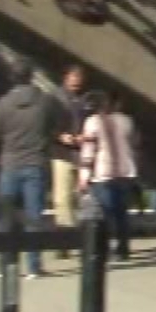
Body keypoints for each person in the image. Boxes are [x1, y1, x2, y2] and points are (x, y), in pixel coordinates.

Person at [0, 60, 66, 280]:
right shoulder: (45, 102)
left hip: (10, 163)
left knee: (6, 217)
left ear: (12, 78)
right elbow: (54, 127)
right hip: (36, 162)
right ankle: (33, 265)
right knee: (34, 215)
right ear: (31, 76)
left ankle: (4, 263)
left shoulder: (2, 104)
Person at [78, 90, 139, 263]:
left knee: (105, 214)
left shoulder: (92, 122)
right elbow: (134, 144)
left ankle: (104, 248)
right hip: (126, 172)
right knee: (122, 214)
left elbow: (88, 152)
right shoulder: (127, 121)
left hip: (103, 173)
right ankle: (123, 248)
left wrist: (83, 176)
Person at [51, 65, 90, 258]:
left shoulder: (85, 100)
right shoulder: (55, 98)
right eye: (73, 76)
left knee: (79, 199)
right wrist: (59, 136)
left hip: (81, 153)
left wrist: (86, 136)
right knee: (62, 199)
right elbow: (47, 125)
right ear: (65, 77)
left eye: (79, 77)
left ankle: (77, 239)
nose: (76, 81)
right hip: (62, 153)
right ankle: (63, 242)